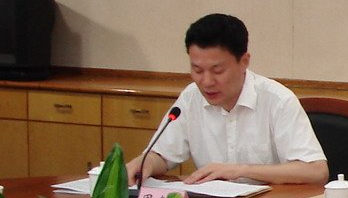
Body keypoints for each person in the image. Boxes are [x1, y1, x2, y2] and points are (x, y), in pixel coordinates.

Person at [126, 13, 329, 186]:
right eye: (197, 70)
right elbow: (162, 155)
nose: (206, 82)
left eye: (218, 71)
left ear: (244, 62)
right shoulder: (191, 98)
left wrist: (240, 170)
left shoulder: (277, 100)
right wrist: (144, 163)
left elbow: (316, 172)